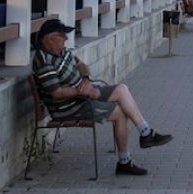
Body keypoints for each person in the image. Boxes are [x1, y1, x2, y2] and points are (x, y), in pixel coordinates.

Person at [32, 19, 172, 176]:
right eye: (62, 35)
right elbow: (56, 93)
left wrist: (85, 80)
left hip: (83, 95)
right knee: (120, 113)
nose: (66, 38)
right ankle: (125, 162)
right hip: (69, 106)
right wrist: (82, 91)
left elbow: (82, 65)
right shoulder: (44, 60)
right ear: (50, 39)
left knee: (121, 89)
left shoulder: (61, 51)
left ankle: (145, 132)